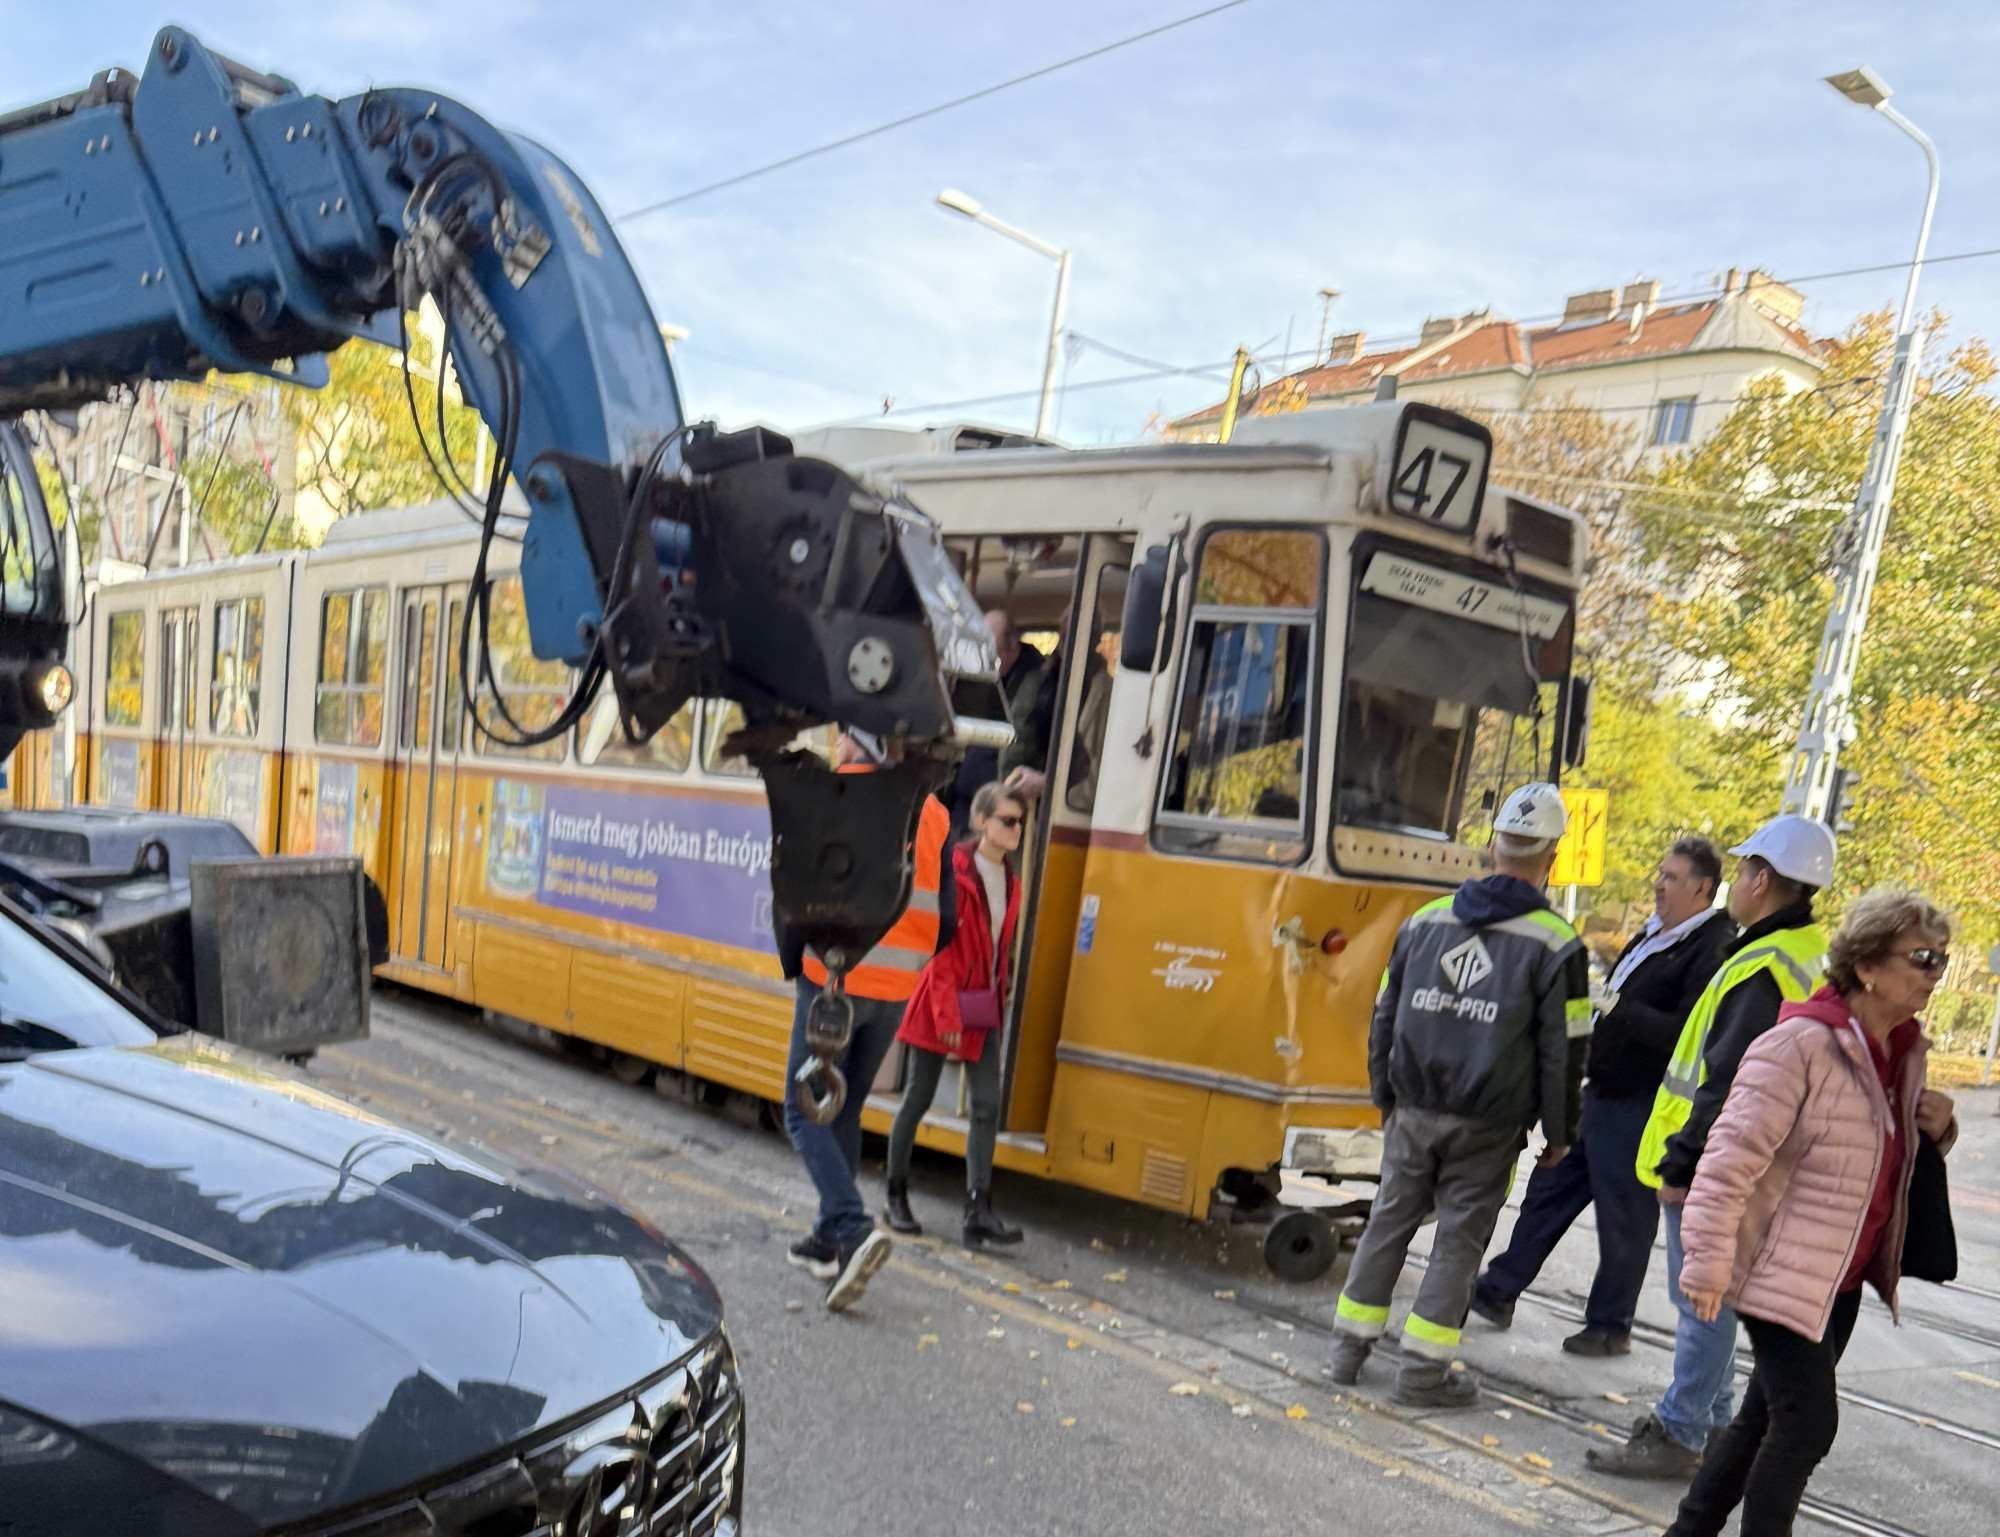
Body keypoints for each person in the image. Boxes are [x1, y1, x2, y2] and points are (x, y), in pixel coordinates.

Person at [1664, 889, 1959, 1536]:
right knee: (1806, 1426)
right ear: (1866, 966)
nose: (1934, 973)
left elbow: (1881, 1156)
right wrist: (1708, 1263)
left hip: (1840, 1279)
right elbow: (1727, 1159)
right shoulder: (1796, 1045)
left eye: (1940, 959)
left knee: (1762, 1420)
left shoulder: (1902, 1052)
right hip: (1780, 1269)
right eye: (1920, 957)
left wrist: (1939, 1128)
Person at [1324, 783, 1591, 1407]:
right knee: (1459, 1242)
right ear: (1550, 858)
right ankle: (1420, 1374)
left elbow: (1383, 1016)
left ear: (1491, 845)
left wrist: (1383, 1095)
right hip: (1489, 1124)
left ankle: (1346, 1352)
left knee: (1387, 1223)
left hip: (1413, 1107)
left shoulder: (1425, 922)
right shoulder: (1558, 944)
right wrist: (1559, 1132)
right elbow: (1565, 1049)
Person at [1590, 813, 1836, 1479]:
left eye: (1742, 870)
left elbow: (1726, 1078)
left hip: (1716, 1160)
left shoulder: (1761, 965)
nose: (1736, 882)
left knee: (1700, 1295)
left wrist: (1684, 1160)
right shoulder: (1805, 952)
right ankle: (1717, 1421)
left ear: (1760, 879)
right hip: (1758, 1156)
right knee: (1716, 1294)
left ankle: (1680, 1427)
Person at [1472, 837, 1737, 1355]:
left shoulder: (1712, 946)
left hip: (1643, 1103)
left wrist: (1617, 1008)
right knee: (1548, 1194)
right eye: (1659, 874)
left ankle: (1610, 1325)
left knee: (1623, 1219)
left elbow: (1686, 1029)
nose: (1659, 885)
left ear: (1703, 889)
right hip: (1602, 1092)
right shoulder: (1655, 933)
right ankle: (1498, 1290)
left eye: (1672, 878)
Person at [779, 729, 955, 1311]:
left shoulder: (831, 793)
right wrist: (903, 964)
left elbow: (793, 891)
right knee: (844, 1107)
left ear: (859, 740)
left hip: (835, 985)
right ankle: (828, 1242)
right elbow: (945, 918)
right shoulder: (931, 810)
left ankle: (854, 1227)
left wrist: (797, 964)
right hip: (896, 989)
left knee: (803, 1113)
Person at [883, 781, 1026, 1246]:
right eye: (1007, 820)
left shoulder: (1012, 880)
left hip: (981, 1007)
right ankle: (896, 1196)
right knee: (917, 1100)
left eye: (1020, 822)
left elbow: (997, 951)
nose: (1016, 829)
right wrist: (946, 1020)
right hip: (940, 1004)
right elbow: (941, 953)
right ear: (981, 822)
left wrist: (998, 1000)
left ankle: (978, 1211)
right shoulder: (956, 871)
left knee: (986, 1105)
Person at [947, 611, 1044, 833]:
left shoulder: (1038, 686)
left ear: (1012, 645)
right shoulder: (982, 678)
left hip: (998, 812)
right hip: (962, 805)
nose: (984, 650)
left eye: (990, 643)